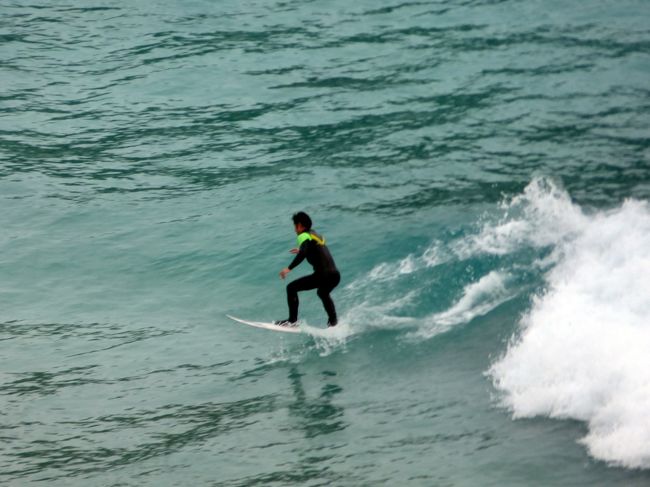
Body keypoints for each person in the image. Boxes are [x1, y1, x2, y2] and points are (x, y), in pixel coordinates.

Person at [276, 212, 340, 327]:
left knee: (291, 288)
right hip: (334, 275)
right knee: (322, 293)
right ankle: (333, 322)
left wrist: (288, 268)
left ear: (300, 225)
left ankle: (292, 321)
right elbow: (314, 249)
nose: (295, 230)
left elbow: (304, 252)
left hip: (323, 275)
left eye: (295, 226)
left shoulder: (303, 236)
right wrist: (302, 250)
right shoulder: (315, 234)